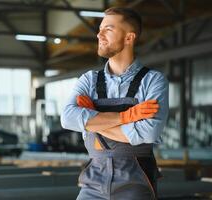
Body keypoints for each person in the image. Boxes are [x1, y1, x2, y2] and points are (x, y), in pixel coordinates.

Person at [61, 7, 169, 200]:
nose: (99, 34)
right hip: (93, 181)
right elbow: (68, 118)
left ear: (129, 38)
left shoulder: (153, 81)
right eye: (100, 29)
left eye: (108, 29)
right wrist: (126, 117)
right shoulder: (89, 80)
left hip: (136, 181)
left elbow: (149, 132)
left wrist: (93, 119)